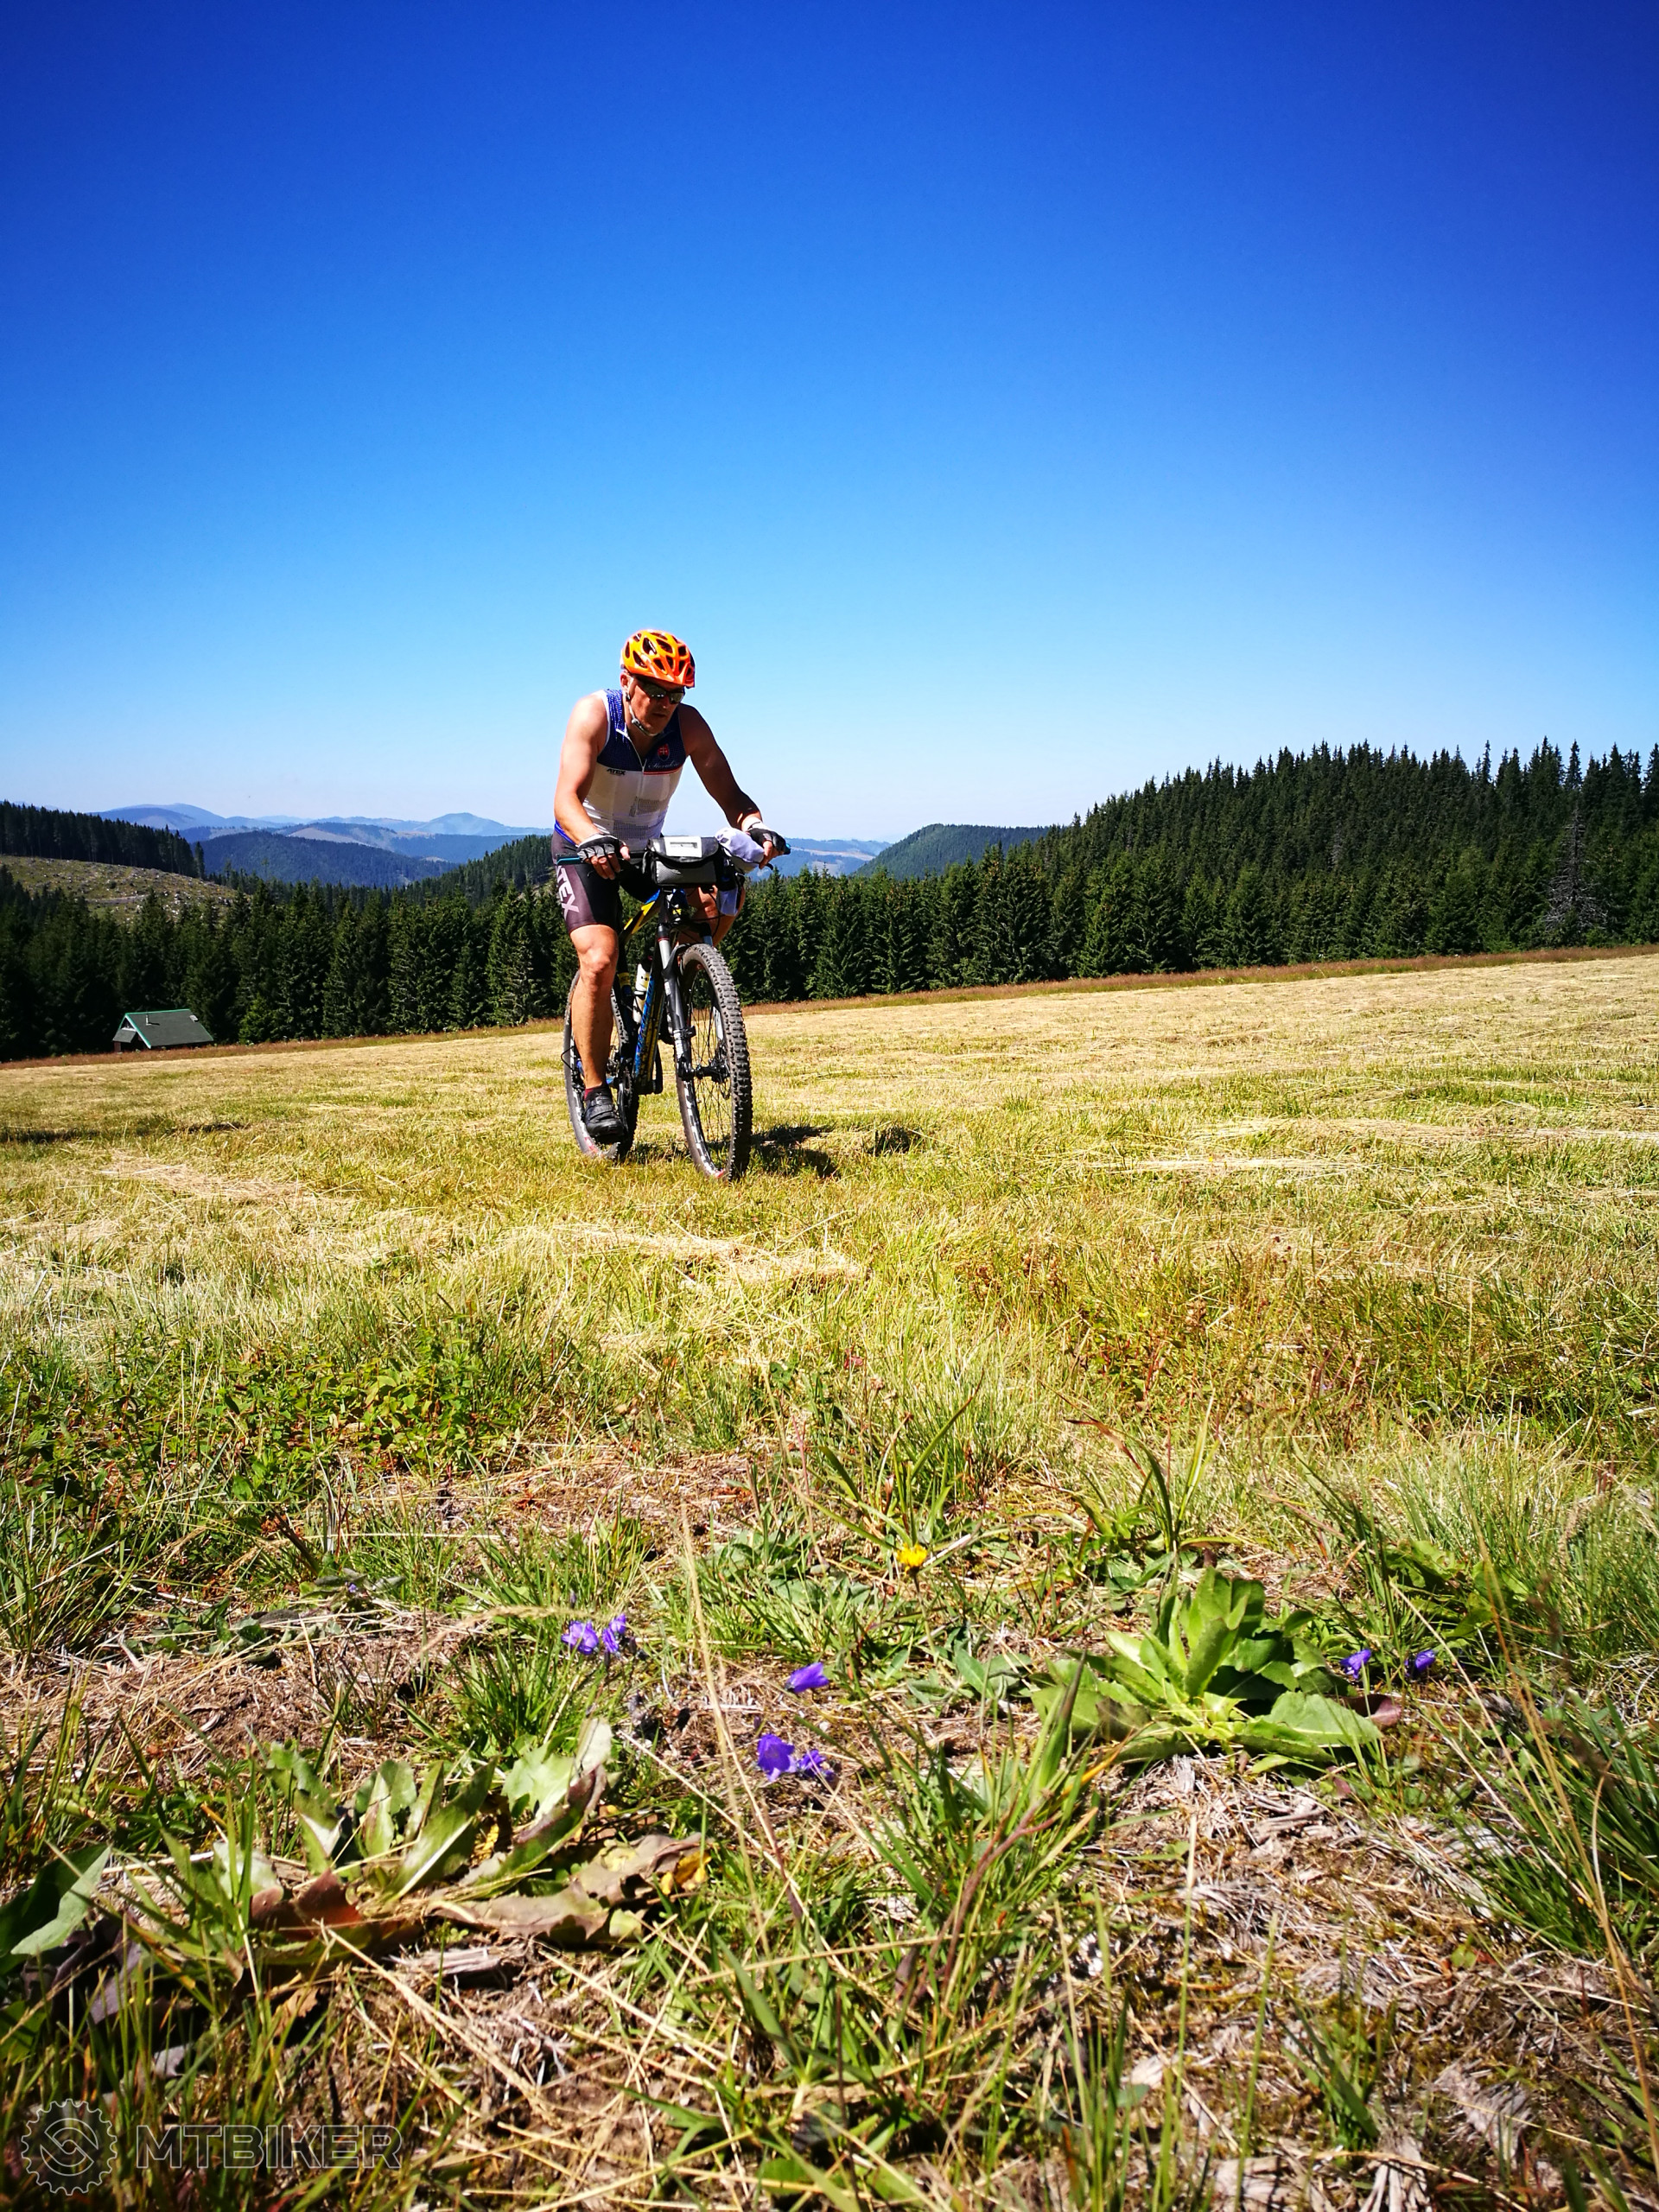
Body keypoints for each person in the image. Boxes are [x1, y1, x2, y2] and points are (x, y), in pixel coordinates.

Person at [553, 630, 780, 1145]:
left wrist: (756, 828)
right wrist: (591, 840)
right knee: (599, 959)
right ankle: (595, 1091)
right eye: (655, 690)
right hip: (585, 845)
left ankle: (670, 984)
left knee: (719, 898)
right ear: (626, 681)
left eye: (675, 694)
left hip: (645, 849)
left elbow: (732, 797)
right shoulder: (595, 715)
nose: (665, 703)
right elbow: (566, 799)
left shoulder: (688, 725)